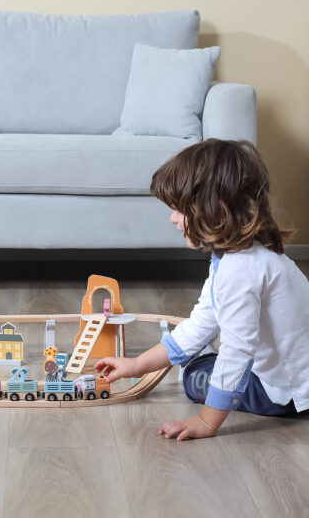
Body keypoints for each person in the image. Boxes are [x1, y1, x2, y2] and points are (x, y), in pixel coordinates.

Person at [95, 138, 309, 440]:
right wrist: (138, 365)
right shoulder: (244, 256)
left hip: (286, 395)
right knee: (196, 345)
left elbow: (238, 350)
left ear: (215, 209)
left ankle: (203, 368)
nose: (172, 218)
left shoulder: (239, 269)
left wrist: (207, 422)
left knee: (193, 376)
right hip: (297, 378)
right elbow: (201, 323)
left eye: (178, 210)